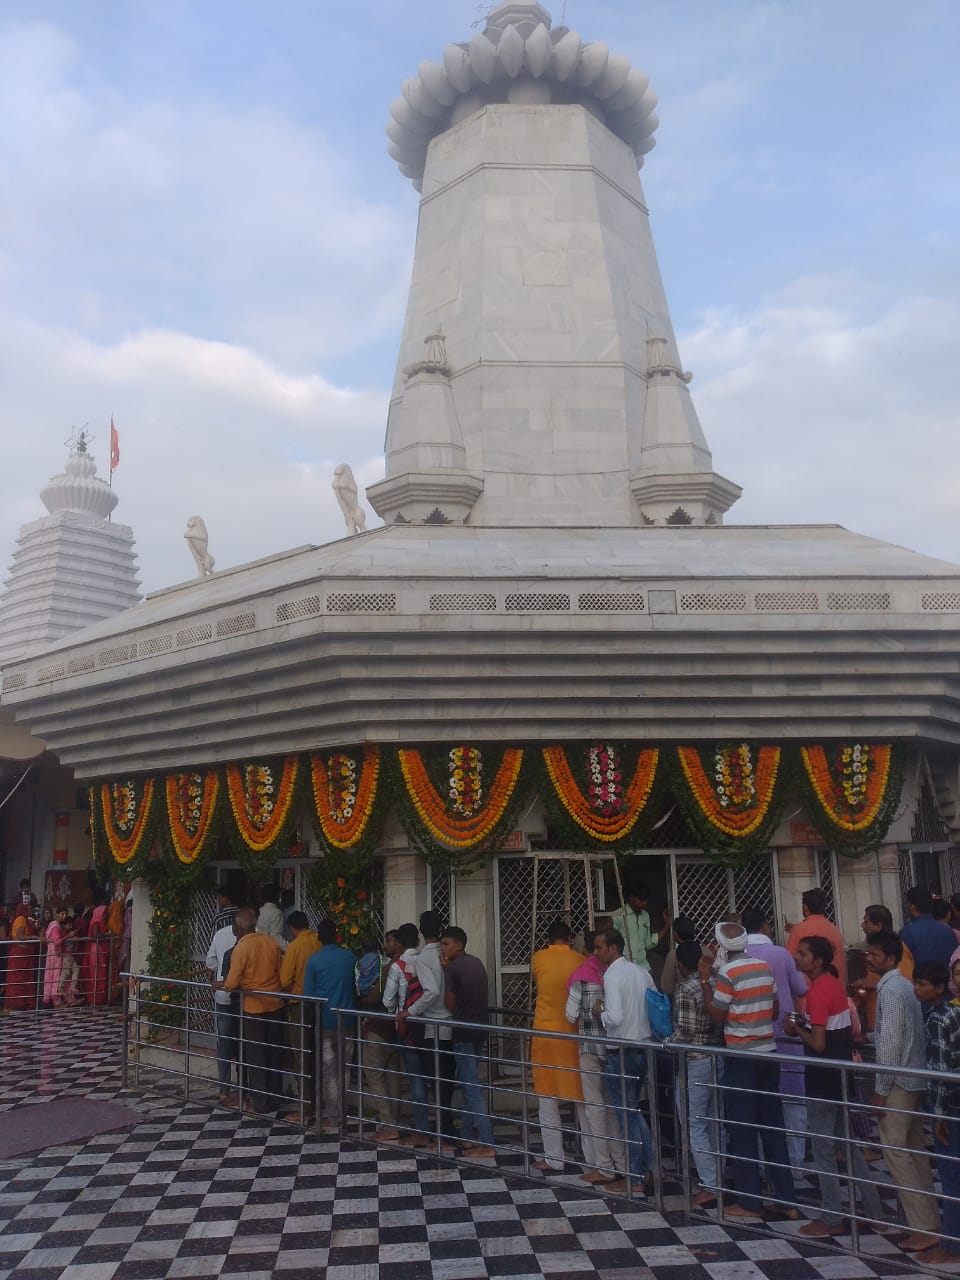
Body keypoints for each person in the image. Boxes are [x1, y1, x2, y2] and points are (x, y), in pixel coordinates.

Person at [698, 920, 797, 1221]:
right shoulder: (763, 967)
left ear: (721, 947)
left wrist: (705, 981)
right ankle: (786, 1199)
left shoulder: (728, 973)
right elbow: (776, 1011)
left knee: (742, 1130)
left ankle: (750, 1202)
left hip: (741, 1057)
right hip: (768, 1054)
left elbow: (717, 1014)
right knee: (772, 1127)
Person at [785, 936, 882, 1236]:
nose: (797, 958)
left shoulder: (817, 992)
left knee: (825, 1149)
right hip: (842, 1076)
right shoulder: (833, 986)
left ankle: (831, 1218)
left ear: (817, 961)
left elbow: (818, 1041)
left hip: (823, 1080)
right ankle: (876, 1212)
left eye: (802, 954)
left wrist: (796, 1027)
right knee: (848, 1146)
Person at [866, 929, 938, 1252]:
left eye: (875, 954)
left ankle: (924, 1226)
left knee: (895, 1149)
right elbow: (894, 1034)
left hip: (899, 1081)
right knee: (914, 1150)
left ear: (890, 959)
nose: (870, 958)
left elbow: (893, 1044)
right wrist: (868, 1038)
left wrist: (880, 1088)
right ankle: (928, 1220)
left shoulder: (892, 990)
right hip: (912, 1077)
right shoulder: (902, 986)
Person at [742, 907, 807, 1172]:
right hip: (784, 1035)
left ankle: (758, 1165)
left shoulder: (737, 957)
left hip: (748, 1039)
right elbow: (801, 988)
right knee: (792, 1101)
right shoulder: (781, 955)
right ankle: (795, 1163)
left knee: (754, 1103)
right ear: (767, 927)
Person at [595, 927, 656, 1194]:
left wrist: (601, 1012)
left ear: (613, 949)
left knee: (627, 1114)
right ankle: (652, 1167)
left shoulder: (612, 975)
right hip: (643, 1047)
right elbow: (655, 1004)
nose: (596, 952)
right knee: (634, 1112)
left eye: (599, 948)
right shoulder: (641, 972)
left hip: (621, 1052)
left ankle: (635, 1178)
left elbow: (615, 1017)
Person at [668, 939, 722, 1206]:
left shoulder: (685, 989)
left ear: (679, 964)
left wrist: (667, 1042)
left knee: (693, 1121)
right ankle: (718, 1175)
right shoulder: (713, 982)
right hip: (716, 1056)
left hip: (696, 1059)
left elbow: (685, 1031)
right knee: (712, 1119)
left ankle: (710, 1183)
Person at [565, 929, 621, 1185]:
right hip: (613, 1048)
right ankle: (622, 1163)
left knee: (595, 1108)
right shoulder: (614, 973)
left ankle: (604, 1167)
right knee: (613, 1108)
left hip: (589, 1048)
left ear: (586, 951)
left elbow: (569, 1015)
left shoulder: (582, 978)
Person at [913, 960, 960, 1266]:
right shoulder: (953, 1012)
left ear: (940, 987)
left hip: (949, 1107)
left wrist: (940, 1115)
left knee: (951, 1176)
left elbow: (942, 1070)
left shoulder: (941, 1017)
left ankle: (952, 1244)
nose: (916, 989)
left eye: (921, 984)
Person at [530, 919, 586, 1173]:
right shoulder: (580, 960)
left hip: (545, 1035)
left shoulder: (538, 957)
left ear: (548, 940)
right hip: (573, 1036)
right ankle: (595, 1160)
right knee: (582, 1098)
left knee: (547, 1098)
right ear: (570, 939)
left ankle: (554, 1158)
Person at [221, 906, 285, 1115]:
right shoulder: (271, 942)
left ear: (237, 928)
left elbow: (230, 983)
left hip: (253, 1009)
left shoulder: (241, 948)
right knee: (273, 1053)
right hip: (275, 1004)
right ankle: (276, 1098)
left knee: (256, 1056)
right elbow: (282, 976)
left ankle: (261, 1102)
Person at [401, 910, 457, 1145]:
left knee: (435, 1082)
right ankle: (446, 1129)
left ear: (422, 932)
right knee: (446, 1082)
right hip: (451, 1024)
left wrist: (410, 1011)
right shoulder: (449, 953)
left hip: (432, 1027)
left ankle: (442, 1133)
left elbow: (432, 991)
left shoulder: (424, 958)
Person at [441, 925, 495, 1159]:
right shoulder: (476, 963)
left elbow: (449, 1005)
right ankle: (466, 1136)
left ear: (458, 945)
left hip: (462, 1033)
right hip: (480, 1030)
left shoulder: (453, 969)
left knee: (472, 1090)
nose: (442, 948)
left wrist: (446, 972)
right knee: (469, 1085)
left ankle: (487, 1143)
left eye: (445, 944)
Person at [302, 918, 357, 1133]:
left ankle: (333, 1116)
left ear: (319, 938)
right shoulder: (349, 957)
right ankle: (343, 1112)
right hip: (348, 1019)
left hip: (325, 1021)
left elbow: (308, 995)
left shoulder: (314, 961)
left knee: (329, 1070)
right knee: (345, 1068)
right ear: (337, 935)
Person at [384, 922, 434, 1148]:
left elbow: (387, 1001)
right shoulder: (427, 960)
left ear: (400, 943)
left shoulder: (398, 966)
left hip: (407, 1027)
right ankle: (440, 1124)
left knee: (415, 1080)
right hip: (429, 1025)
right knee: (433, 1076)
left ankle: (422, 1128)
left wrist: (398, 1008)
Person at [356, 932, 402, 1142]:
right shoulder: (409, 966)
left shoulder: (389, 969)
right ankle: (395, 1116)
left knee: (373, 1073)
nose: (385, 945)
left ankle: (388, 1122)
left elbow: (371, 998)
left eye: (389, 941)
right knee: (392, 1073)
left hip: (380, 1027)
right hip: (397, 1029)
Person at [279, 911, 320, 1120]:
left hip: (299, 1005)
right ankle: (317, 1103)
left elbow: (285, 981)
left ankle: (305, 1107)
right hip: (319, 1005)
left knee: (301, 1055)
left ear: (292, 928)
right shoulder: (318, 941)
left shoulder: (295, 946)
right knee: (316, 1054)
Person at [853, 904, 914, 1030]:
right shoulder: (877, 950)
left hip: (890, 1026)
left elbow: (908, 983)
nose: (863, 926)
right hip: (876, 1025)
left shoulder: (896, 950)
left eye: (866, 922)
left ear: (878, 926)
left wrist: (873, 983)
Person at [206, 901, 240, 1106]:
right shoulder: (258, 935)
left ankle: (224, 1089)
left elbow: (210, 962)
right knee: (247, 1043)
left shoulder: (220, 934)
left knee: (225, 1043)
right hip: (247, 1000)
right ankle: (246, 1089)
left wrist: (216, 981)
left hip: (223, 998)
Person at [786, 888, 847, 988]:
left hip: (809, 990)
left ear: (805, 907)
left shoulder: (799, 930)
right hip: (836, 988)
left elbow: (789, 961)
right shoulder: (834, 930)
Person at [611, 882, 670, 971]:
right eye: (642, 900)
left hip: (643, 966)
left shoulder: (645, 916)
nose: (645, 903)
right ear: (631, 898)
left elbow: (649, 944)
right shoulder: (618, 915)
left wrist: (667, 926)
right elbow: (610, 941)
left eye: (646, 900)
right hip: (625, 966)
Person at [900, 886, 956, 969]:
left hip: (920, 980)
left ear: (913, 907)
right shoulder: (947, 930)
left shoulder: (906, 933)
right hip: (946, 980)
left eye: (907, 904)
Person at [42, 906, 78, 1008]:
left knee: (56, 976)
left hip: (53, 953)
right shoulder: (56, 926)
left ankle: (65, 1000)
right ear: (57, 914)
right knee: (55, 976)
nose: (64, 916)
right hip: (55, 954)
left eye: (65, 914)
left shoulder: (53, 924)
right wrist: (69, 936)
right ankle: (56, 1002)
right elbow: (57, 941)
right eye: (62, 914)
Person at [6, 906, 39, 1010]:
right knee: (19, 978)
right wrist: (34, 937)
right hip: (20, 955)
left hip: (24, 954)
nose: (30, 910)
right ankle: (18, 1003)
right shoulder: (21, 919)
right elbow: (20, 937)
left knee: (24, 978)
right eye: (28, 908)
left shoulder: (25, 919)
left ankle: (24, 1002)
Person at [659, 916, 699, 998]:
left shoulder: (673, 955)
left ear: (675, 934)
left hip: (682, 1002)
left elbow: (667, 988)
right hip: (706, 1002)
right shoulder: (706, 952)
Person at [83, 901, 112, 1006]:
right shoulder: (96, 921)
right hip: (96, 949)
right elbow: (95, 935)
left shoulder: (99, 921)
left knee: (100, 972)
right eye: (104, 913)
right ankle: (96, 998)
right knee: (96, 972)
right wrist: (106, 935)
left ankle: (99, 997)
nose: (106, 915)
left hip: (98, 948)